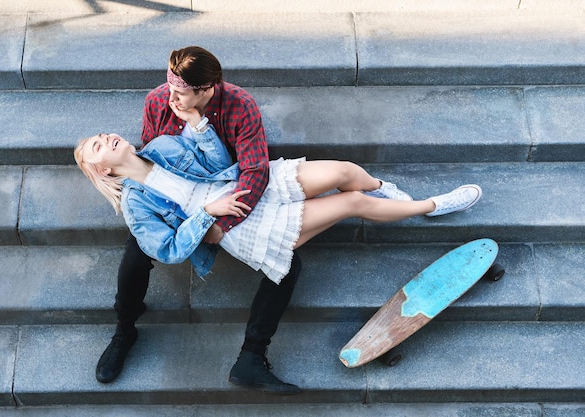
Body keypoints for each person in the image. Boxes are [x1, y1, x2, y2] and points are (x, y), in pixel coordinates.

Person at [91, 46, 416, 394]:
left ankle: (251, 357)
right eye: (169, 88)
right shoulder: (158, 101)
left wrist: (222, 224)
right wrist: (196, 219)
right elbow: (154, 156)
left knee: (287, 265)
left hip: (230, 192)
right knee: (136, 253)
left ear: (206, 89)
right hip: (179, 205)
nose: (171, 97)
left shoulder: (237, 104)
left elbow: (254, 170)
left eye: (181, 93)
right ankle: (125, 328)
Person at [75, 120, 482, 393]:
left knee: (344, 172)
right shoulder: (136, 205)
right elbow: (165, 249)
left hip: (252, 187)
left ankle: (387, 190)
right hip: (241, 226)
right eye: (97, 146)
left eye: (103, 134)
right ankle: (433, 205)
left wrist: (199, 128)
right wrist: (205, 215)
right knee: (351, 202)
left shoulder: (161, 147)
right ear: (103, 171)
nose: (106, 137)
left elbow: (220, 163)